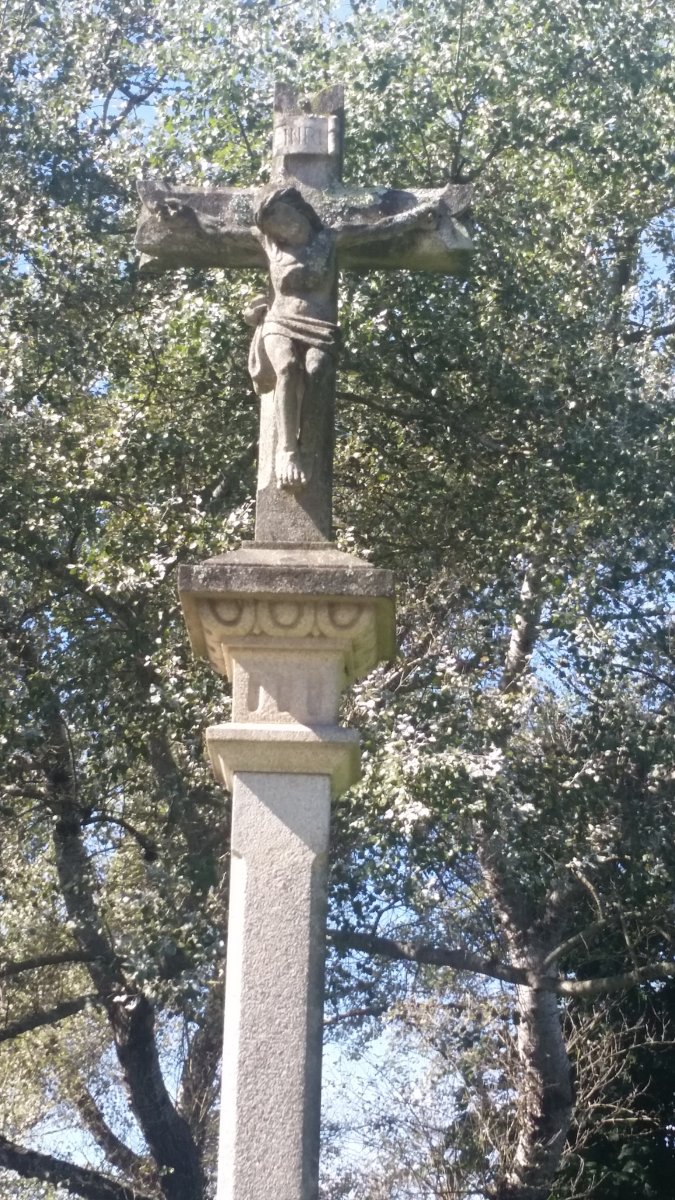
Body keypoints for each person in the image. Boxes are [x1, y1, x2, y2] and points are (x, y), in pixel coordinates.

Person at [248, 187, 339, 489]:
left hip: (319, 325)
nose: (286, 227)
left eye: (287, 217)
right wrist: (182, 217)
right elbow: (215, 229)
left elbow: (381, 229)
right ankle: (287, 452)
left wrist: (421, 216)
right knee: (287, 367)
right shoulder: (269, 244)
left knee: (316, 370)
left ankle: (307, 449)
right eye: (277, 226)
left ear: (299, 209)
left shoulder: (329, 239)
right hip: (278, 321)